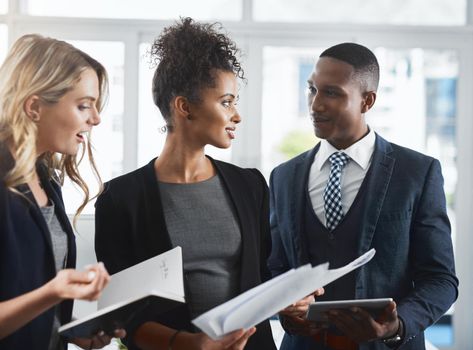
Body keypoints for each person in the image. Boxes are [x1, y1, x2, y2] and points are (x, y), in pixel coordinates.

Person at [94, 18, 276, 350]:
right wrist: (187, 344)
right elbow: (121, 314)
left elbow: (262, 276)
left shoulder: (249, 185)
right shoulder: (120, 199)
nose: (237, 115)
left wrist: (291, 301)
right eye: (226, 102)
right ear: (184, 107)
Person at [268, 42, 459, 350]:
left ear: (367, 101)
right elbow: (276, 268)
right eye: (311, 90)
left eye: (331, 93)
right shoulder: (283, 176)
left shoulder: (417, 173)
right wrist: (286, 309)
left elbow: (441, 280)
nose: (315, 105)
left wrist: (397, 325)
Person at [0, 34, 126, 350]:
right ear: (34, 107)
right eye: (84, 105)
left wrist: (69, 329)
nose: (95, 119)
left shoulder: (46, 180)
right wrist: (55, 292)